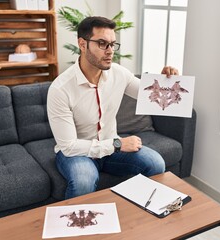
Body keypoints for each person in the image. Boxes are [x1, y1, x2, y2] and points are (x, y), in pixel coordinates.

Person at [47, 16, 179, 199]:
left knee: (155, 163)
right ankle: (77, 225)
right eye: (102, 44)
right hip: (78, 152)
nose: (110, 51)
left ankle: (138, 215)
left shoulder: (119, 74)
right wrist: (117, 144)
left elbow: (151, 96)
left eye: (112, 44)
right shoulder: (60, 89)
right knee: (84, 180)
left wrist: (167, 81)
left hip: (111, 149)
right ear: (82, 44)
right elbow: (69, 146)